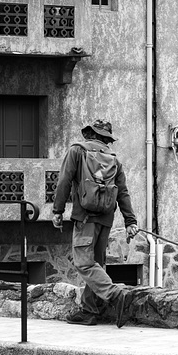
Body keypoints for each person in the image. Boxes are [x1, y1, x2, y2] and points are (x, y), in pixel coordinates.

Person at [52, 119, 139, 328]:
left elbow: (64, 181)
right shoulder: (114, 160)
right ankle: (89, 311)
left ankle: (115, 295)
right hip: (106, 220)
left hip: (85, 218)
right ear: (106, 139)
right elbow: (123, 192)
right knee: (96, 265)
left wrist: (58, 210)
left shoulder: (77, 151)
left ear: (90, 133)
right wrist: (130, 221)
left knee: (84, 263)